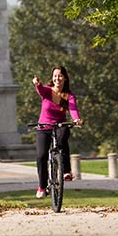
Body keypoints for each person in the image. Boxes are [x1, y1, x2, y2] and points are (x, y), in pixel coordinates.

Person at [32, 66, 83, 199]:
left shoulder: (69, 96)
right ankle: (42, 186)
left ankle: (66, 171)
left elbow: (73, 109)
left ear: (65, 78)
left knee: (63, 137)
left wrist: (76, 119)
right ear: (52, 78)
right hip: (44, 126)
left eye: (60, 76)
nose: (57, 78)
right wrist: (37, 84)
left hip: (60, 124)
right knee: (41, 156)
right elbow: (41, 90)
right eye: (55, 76)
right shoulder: (48, 91)